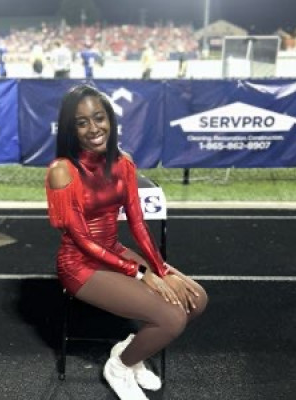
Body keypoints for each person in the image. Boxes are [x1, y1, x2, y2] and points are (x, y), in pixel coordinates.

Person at [45, 84, 208, 400]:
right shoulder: (62, 171)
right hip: (79, 265)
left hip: (114, 251)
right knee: (172, 319)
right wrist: (140, 273)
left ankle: (129, 351)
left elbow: (137, 223)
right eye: (82, 122)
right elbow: (81, 240)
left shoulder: (124, 162)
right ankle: (119, 367)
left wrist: (162, 271)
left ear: (110, 118)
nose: (94, 128)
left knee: (195, 299)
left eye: (99, 117)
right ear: (70, 129)